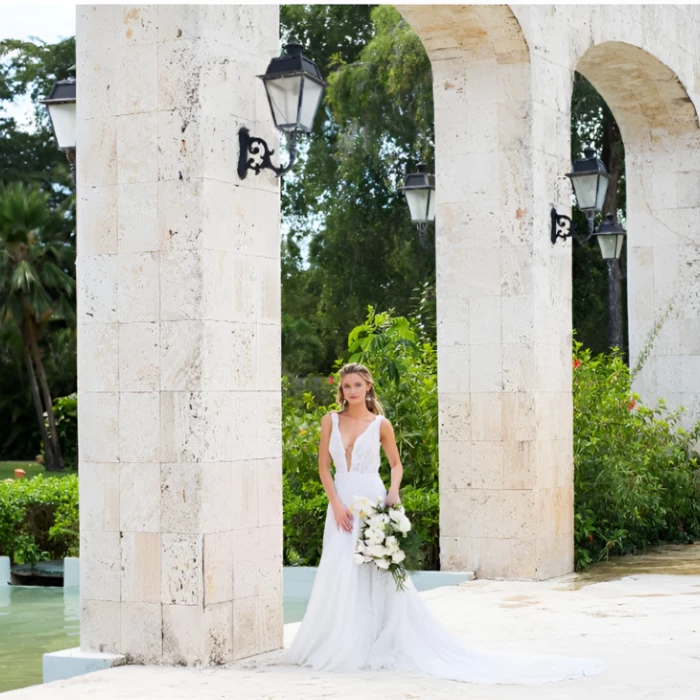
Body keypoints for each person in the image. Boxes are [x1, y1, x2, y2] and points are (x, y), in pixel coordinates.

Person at [281, 362, 604, 684]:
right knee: (339, 570)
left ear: (368, 387)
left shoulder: (380, 423)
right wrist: (336, 504)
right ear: (341, 389)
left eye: (357, 385)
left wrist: (393, 493)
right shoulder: (330, 421)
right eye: (346, 386)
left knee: (377, 571)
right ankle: (340, 640)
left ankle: (376, 640)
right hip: (342, 504)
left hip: (372, 501)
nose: (351, 391)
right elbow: (324, 467)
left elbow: (396, 464)